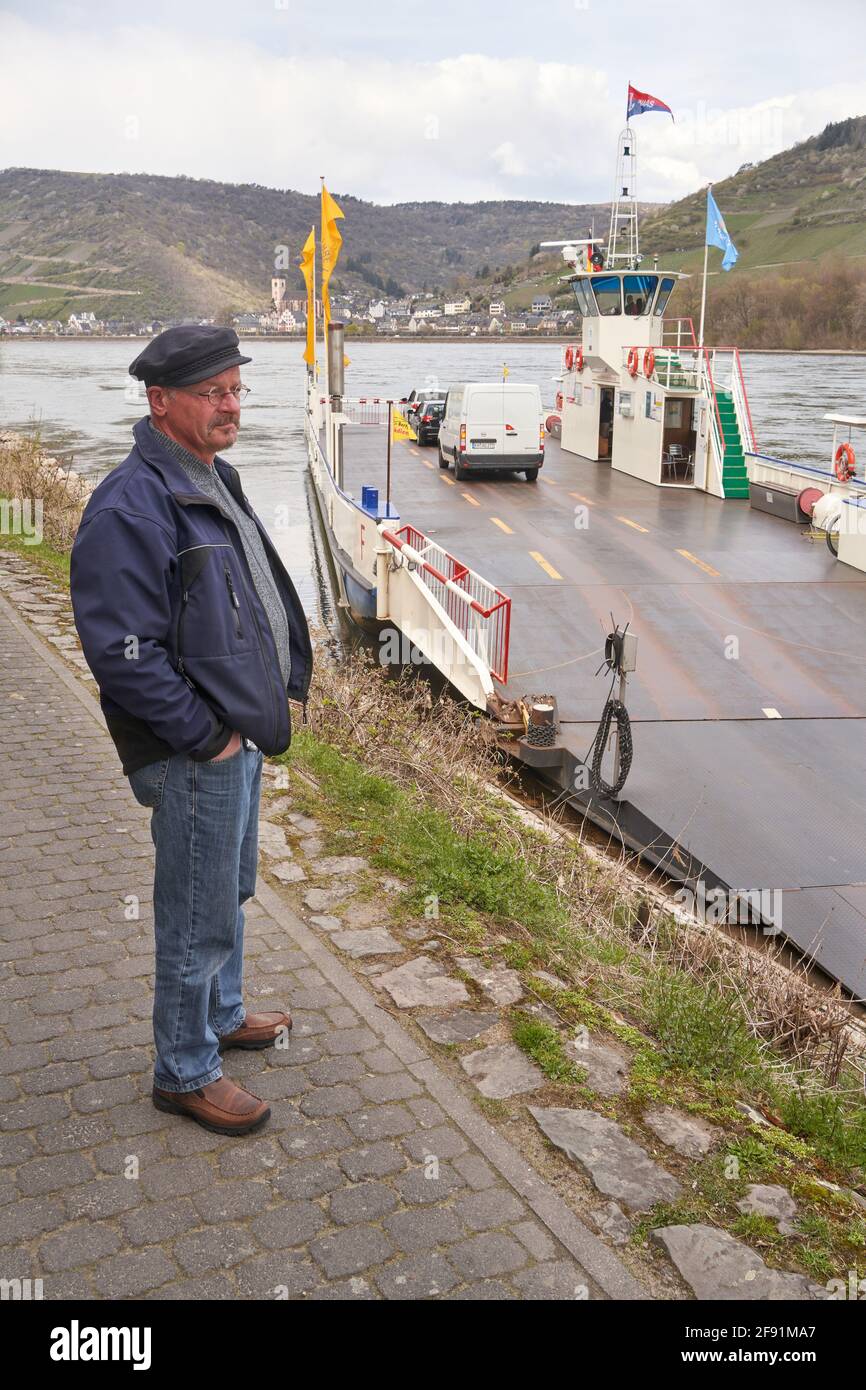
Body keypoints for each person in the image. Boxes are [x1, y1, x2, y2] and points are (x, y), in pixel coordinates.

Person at [70, 325, 313, 1136]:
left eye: (236, 390)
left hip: (233, 737)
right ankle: (183, 1069)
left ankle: (222, 1013)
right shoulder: (130, 504)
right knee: (194, 912)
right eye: (212, 393)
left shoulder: (212, 475)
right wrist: (207, 735)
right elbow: (122, 652)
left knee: (229, 893)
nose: (231, 405)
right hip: (194, 748)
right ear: (160, 401)